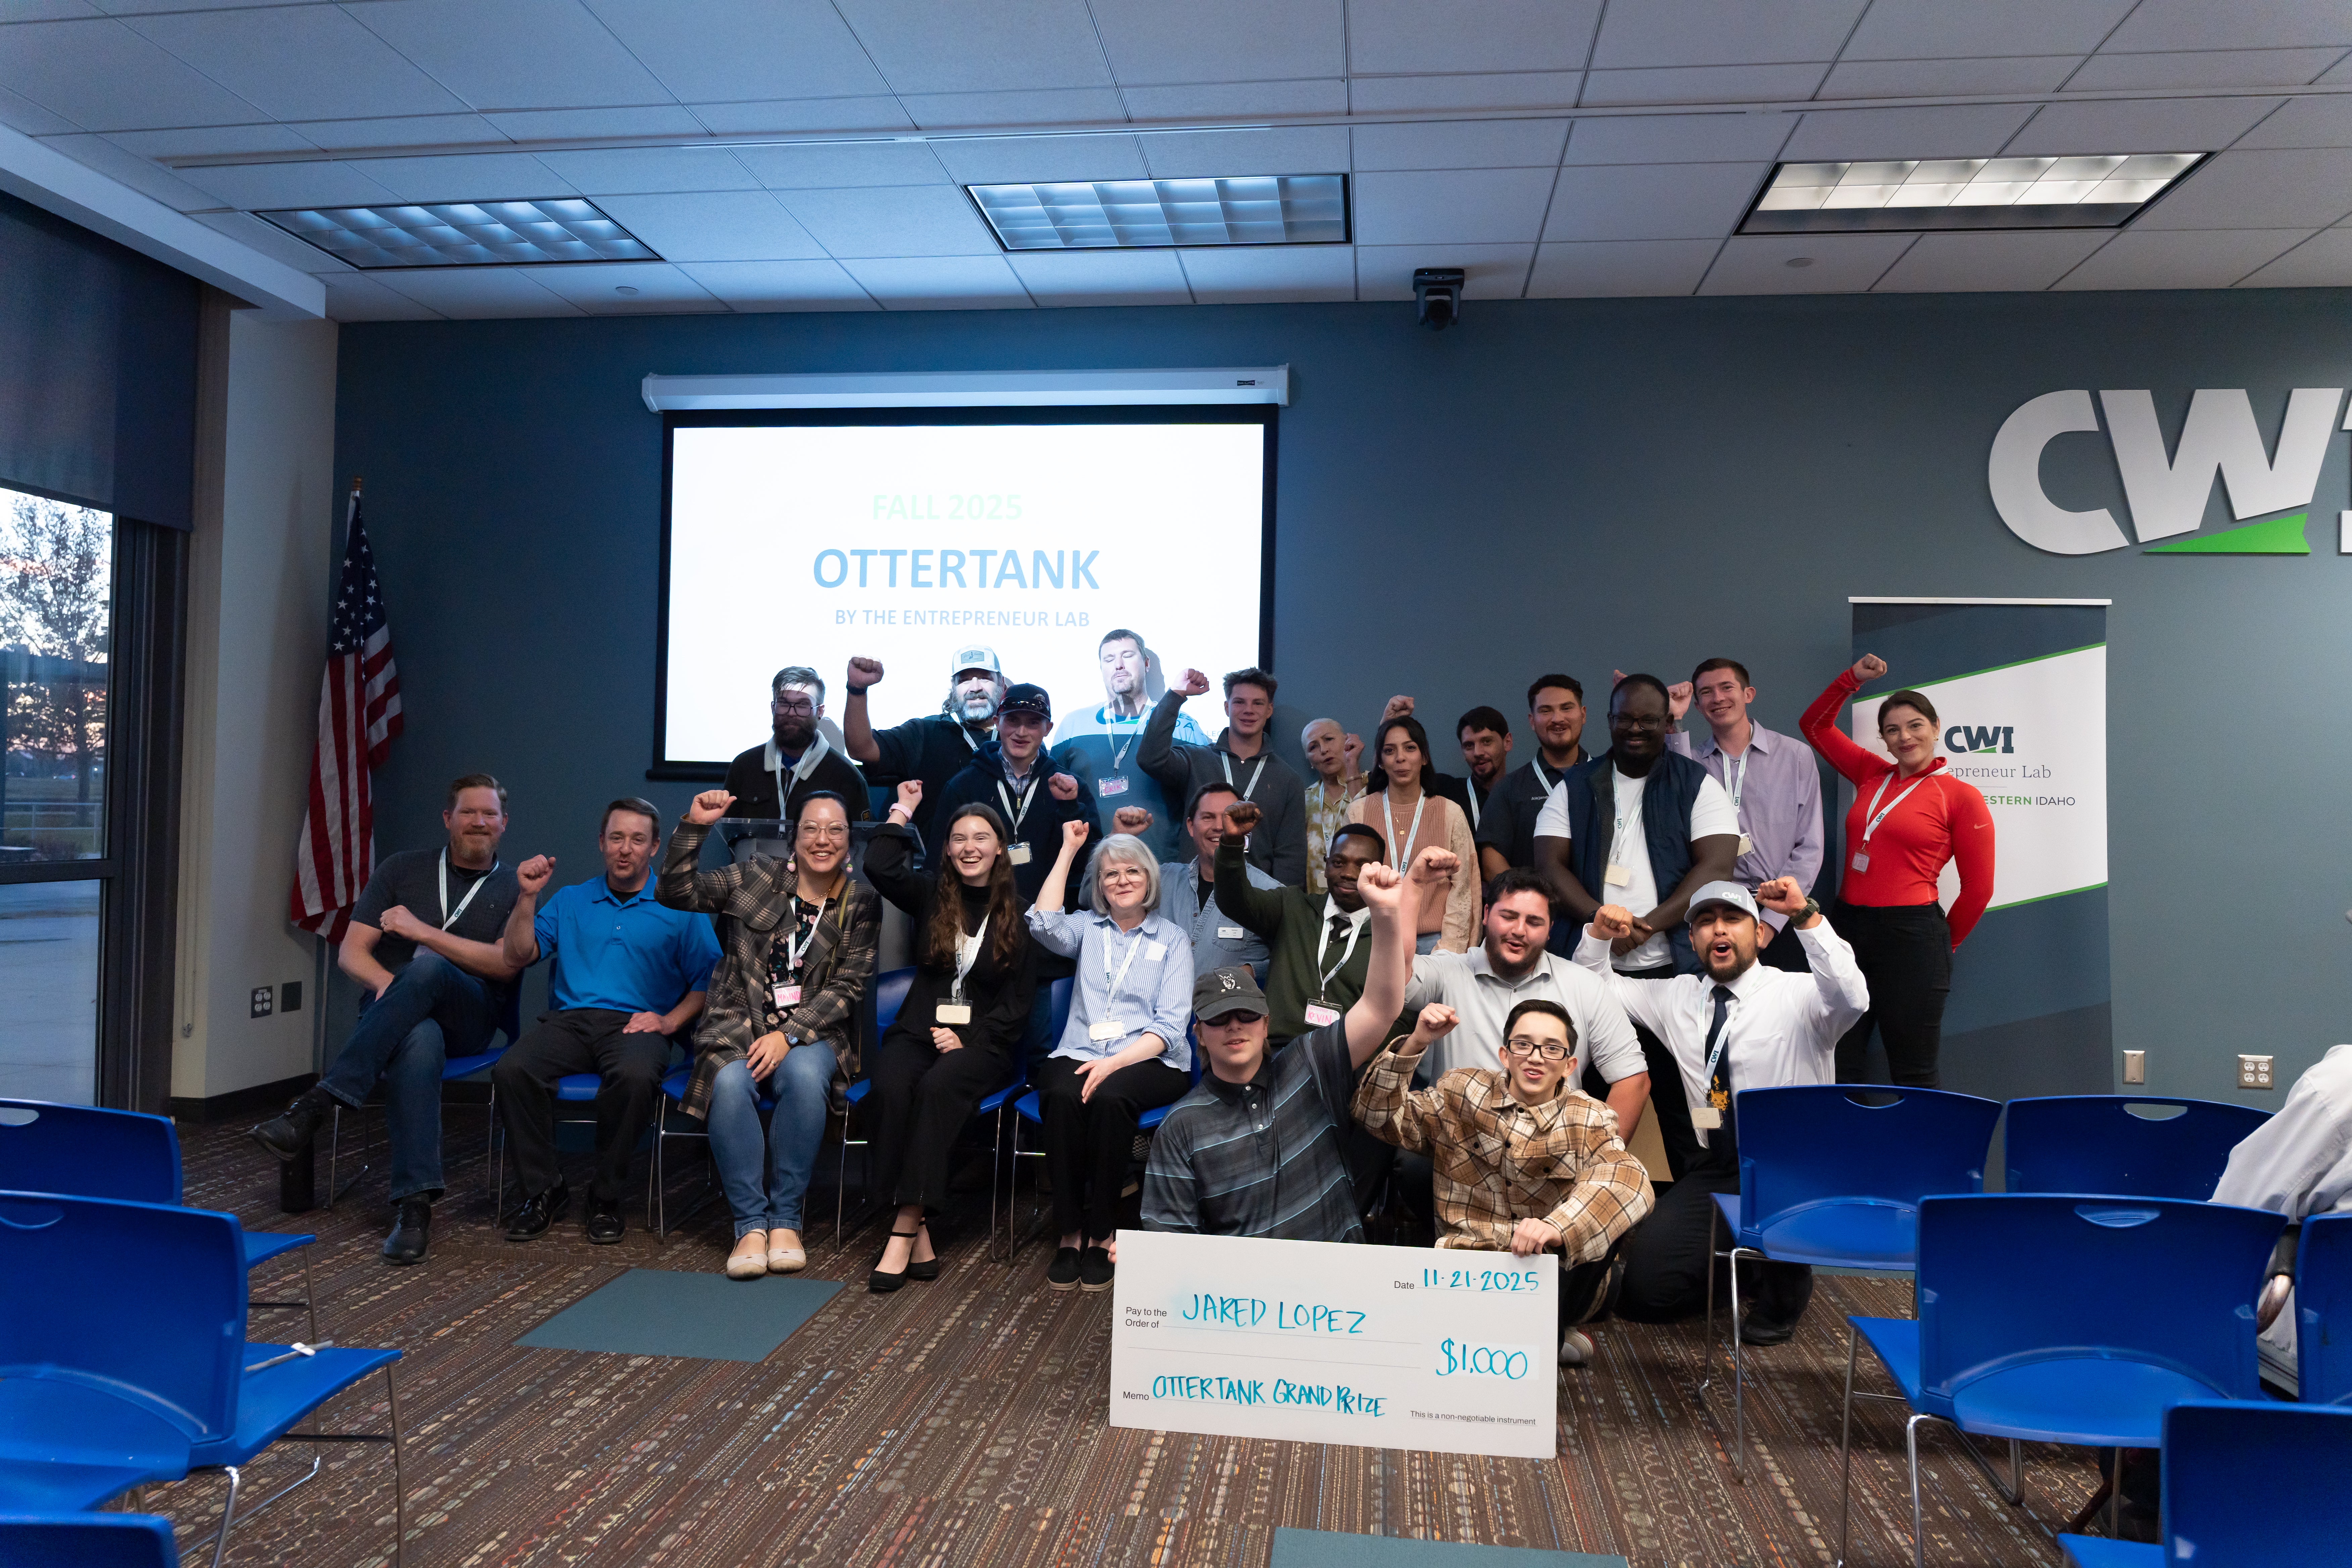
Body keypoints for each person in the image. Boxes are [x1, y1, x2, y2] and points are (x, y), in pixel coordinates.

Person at [1575, 879, 1869, 1342]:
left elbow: (1853, 997)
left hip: (1790, 1170)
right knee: (1646, 1294)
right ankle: (1741, 1269)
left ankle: (1782, 1280)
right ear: (1693, 940)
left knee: (1772, 1311)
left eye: (1733, 919)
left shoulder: (1800, 994)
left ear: (1759, 933)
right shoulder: (1676, 996)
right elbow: (1595, 988)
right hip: (1720, 1165)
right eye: (1706, 923)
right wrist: (1597, 935)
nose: (1719, 930)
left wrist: (1805, 915)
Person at [251, 773, 524, 1266]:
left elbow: (504, 965)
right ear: (448, 819)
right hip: (394, 1011)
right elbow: (352, 953)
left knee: (429, 968)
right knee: (419, 1036)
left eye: (489, 814)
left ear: (504, 823)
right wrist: (392, 989)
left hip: (471, 1015)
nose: (479, 822)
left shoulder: (514, 887)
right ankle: (414, 1208)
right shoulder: (402, 869)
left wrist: (423, 934)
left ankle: (319, 1103)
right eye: (468, 812)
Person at [1131, 849, 1420, 1247]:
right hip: (1245, 1283)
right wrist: (1149, 1259)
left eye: (1247, 1014)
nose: (1235, 1025)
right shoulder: (1181, 1125)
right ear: (1198, 1033)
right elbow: (1172, 1239)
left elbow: (1380, 1008)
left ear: (1266, 1024)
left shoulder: (1309, 1065)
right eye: (1219, 1018)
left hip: (1336, 1273)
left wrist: (1386, 915)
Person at [1355, 997, 1656, 1365]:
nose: (1536, 1057)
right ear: (1505, 1055)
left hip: (1548, 1272)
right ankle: (1547, 1337)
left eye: (1552, 1048)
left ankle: (1552, 1327)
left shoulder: (1589, 1116)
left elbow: (1630, 1181)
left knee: (1607, 1223)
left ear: (1569, 1065)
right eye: (1523, 1045)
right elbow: (1374, 1116)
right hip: (1468, 1268)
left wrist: (1557, 1227)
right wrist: (1415, 1043)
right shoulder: (1461, 1091)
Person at [658, 786, 880, 1281]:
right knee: (730, 1082)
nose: (822, 839)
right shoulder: (754, 875)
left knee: (802, 1077)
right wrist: (695, 828)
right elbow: (674, 892)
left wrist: (790, 1034)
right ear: (793, 836)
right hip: (737, 1022)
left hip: (815, 1031)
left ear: (849, 840)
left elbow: (850, 985)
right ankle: (750, 1226)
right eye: (811, 829)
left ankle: (785, 1220)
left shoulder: (861, 902)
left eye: (835, 830)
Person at [490, 798, 719, 1244]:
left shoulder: (680, 905)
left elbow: (710, 979)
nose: (625, 849)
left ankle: (605, 1196)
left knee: (635, 1077)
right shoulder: (572, 899)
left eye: (637, 840)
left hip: (638, 1025)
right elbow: (517, 955)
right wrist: (527, 897)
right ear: (601, 842)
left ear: (654, 847)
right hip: (571, 1022)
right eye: (616, 838)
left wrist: (670, 1022)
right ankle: (545, 1190)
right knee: (512, 1069)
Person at [860, 789, 1036, 1292]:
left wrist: (969, 1041)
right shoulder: (933, 896)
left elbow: (1018, 1004)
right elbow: (878, 864)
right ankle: (919, 1229)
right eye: (959, 839)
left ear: (1000, 848)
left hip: (985, 1046)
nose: (969, 847)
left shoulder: (1021, 914)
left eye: (981, 838)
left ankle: (902, 1228)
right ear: (946, 849)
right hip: (919, 1030)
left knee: (938, 1087)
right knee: (890, 1085)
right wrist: (903, 810)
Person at [1798, 654, 1994, 1089]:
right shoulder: (1871, 773)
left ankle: (1921, 1141)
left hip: (1913, 937)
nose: (1905, 737)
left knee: (1913, 1071)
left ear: (1936, 728)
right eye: (1892, 730)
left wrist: (1942, 948)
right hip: (1847, 928)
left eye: (1915, 725)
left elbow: (1979, 889)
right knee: (1839, 1063)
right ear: (1884, 741)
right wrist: (1851, 680)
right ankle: (1850, 1138)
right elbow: (1814, 726)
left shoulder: (1960, 797)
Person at [1026, 819, 1194, 1292]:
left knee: (1110, 1097)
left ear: (1149, 879)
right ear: (1099, 885)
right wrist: (1068, 849)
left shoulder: (1173, 939)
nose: (1122, 881)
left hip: (1151, 1059)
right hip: (1080, 1049)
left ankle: (1101, 1234)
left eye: (1132, 871)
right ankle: (1069, 1232)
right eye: (1110, 874)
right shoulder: (1087, 928)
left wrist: (1114, 1063)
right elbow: (1042, 923)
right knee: (1060, 1093)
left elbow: (1170, 1026)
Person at [1401, 868, 1652, 1139]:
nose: (1519, 931)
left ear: (1549, 930)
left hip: (1552, 1150)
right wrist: (1412, 886)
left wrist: (1596, 1154)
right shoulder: (1447, 971)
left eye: (1534, 922)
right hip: (1459, 1146)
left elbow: (1633, 1080)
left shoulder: (1587, 986)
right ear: (1486, 914)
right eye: (1508, 917)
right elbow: (1395, 976)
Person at [1665, 658, 1824, 974]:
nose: (1718, 698)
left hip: (1782, 909)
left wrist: (1771, 923)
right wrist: (1674, 720)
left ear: (1748, 694)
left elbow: (1811, 846)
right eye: (1706, 693)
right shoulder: (1692, 763)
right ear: (1698, 706)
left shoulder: (1795, 755)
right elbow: (1675, 795)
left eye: (1727, 688)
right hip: (1719, 911)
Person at [1211, 802, 1385, 1048]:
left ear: (1379, 872)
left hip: (1347, 1057)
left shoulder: (1387, 935)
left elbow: (1396, 1014)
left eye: (1362, 866)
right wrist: (1232, 844)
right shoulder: (1292, 907)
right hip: (1280, 1051)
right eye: (1338, 863)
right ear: (1326, 867)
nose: (1348, 873)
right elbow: (1234, 900)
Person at [1048, 627, 1206, 865]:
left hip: (1166, 868)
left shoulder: (1184, 725)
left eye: (1128, 656)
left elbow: (1204, 800)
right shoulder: (1073, 725)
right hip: (1093, 870)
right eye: (1109, 659)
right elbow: (1053, 800)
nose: (1119, 665)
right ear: (1101, 668)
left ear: (1146, 663)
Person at [1140, 665, 1308, 886]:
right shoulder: (1196, 760)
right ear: (1227, 708)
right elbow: (1150, 758)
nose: (1249, 710)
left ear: (1270, 710)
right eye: (1239, 702)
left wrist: (1281, 904)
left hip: (1256, 896)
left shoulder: (1288, 780)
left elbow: (1291, 858)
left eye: (1258, 703)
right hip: (1194, 891)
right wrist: (1176, 695)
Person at [931, 682, 1092, 900]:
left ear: (1048, 728)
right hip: (980, 910)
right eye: (1013, 721)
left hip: (1049, 913)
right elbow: (939, 861)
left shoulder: (1072, 788)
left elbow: (1086, 864)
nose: (1021, 732)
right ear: (997, 723)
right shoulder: (963, 786)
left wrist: (1070, 807)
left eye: (1033, 723)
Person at [1108, 784, 1281, 984]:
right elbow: (1095, 899)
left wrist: (1251, 972)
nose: (1220, 826)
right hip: (1154, 1004)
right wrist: (1118, 839)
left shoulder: (1270, 892)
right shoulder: (1161, 880)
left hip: (1224, 1005)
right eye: (1208, 817)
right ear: (1191, 826)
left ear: (1245, 826)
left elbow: (1293, 961)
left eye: (1229, 817)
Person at [842, 647, 1008, 850]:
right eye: (964, 680)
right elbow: (861, 749)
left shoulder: (1018, 738)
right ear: (953, 688)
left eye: (985, 678)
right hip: (938, 866)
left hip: (1005, 864)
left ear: (1002, 684)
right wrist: (857, 690)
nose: (975, 687)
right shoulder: (924, 732)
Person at [1347, 715, 1479, 953]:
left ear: (1424, 757)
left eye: (1410, 748)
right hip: (1373, 937)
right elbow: (1348, 881)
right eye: (1390, 751)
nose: (1401, 758)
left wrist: (1448, 951)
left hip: (1435, 942)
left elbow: (1464, 888)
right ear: (1380, 761)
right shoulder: (1359, 811)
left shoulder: (1450, 812)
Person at [1477, 676, 1592, 894]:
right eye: (1546, 711)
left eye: (1567, 708)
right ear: (1532, 721)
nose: (1557, 719)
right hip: (1535, 913)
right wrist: (1527, 902)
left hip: (1602, 910)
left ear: (1583, 714)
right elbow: (1492, 861)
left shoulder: (1607, 778)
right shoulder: (1509, 788)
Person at [719, 665, 873, 824]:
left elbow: (859, 837)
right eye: (784, 704)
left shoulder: (847, 776)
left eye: (802, 705)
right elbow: (729, 831)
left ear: (820, 712)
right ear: (773, 708)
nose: (791, 713)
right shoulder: (744, 766)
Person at [1298, 718, 1366, 897]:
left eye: (1329, 739)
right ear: (1310, 761)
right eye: (1313, 747)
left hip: (1363, 901)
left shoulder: (1374, 787)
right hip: (1315, 904)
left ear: (1347, 740)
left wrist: (1352, 764)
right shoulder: (1305, 800)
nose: (1324, 750)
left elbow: (1364, 828)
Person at [1455, 705, 1514, 834]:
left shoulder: (1524, 795)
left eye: (1487, 742)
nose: (1478, 753)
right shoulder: (1447, 794)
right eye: (1469, 746)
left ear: (1507, 742)